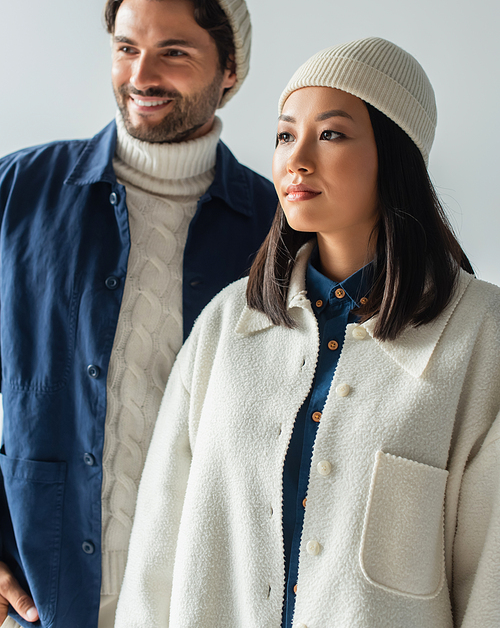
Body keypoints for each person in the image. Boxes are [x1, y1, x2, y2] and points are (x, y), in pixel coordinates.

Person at [115, 37, 500, 628]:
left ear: (395, 155)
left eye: (332, 134)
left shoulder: (481, 336)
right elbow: (157, 548)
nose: (297, 158)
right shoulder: (226, 324)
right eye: (285, 135)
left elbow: (491, 582)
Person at [0, 0, 277, 628]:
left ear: (230, 71)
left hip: (207, 600)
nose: (142, 76)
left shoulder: (277, 226)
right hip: (40, 599)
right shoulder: (19, 192)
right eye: (127, 49)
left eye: (174, 53)